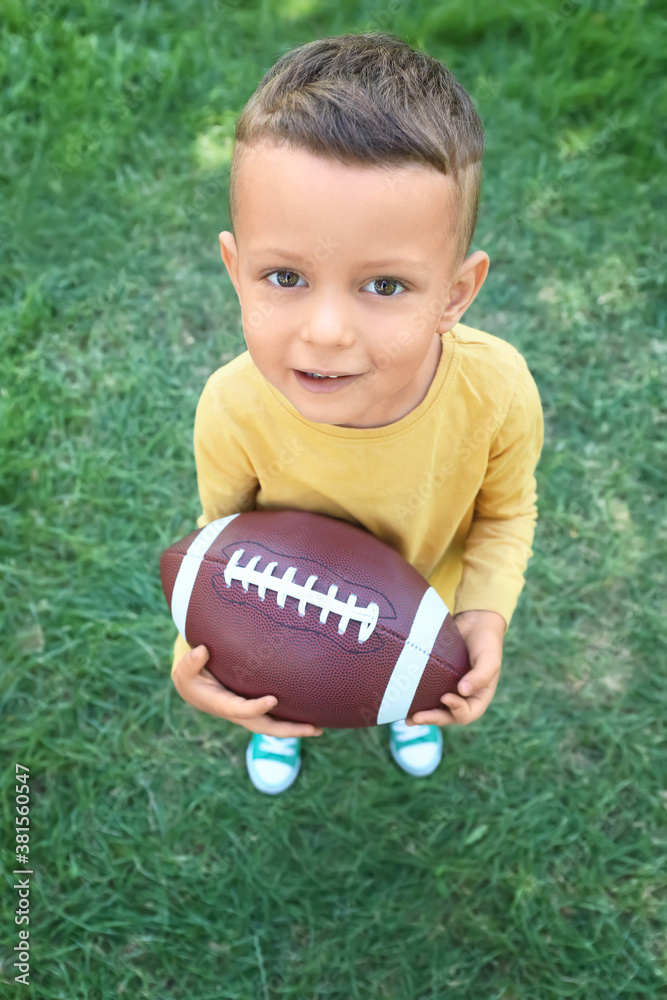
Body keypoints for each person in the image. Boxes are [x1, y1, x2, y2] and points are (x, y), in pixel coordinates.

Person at [169, 31, 544, 795]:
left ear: (455, 294)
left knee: (414, 666)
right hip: (289, 623)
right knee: (288, 679)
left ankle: (409, 691)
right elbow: (223, 553)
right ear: (236, 273)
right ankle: (286, 705)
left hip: (425, 609)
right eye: (284, 276)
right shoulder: (233, 408)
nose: (327, 331)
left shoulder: (495, 391)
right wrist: (201, 644)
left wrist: (482, 615)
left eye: (383, 286)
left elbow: (505, 516)